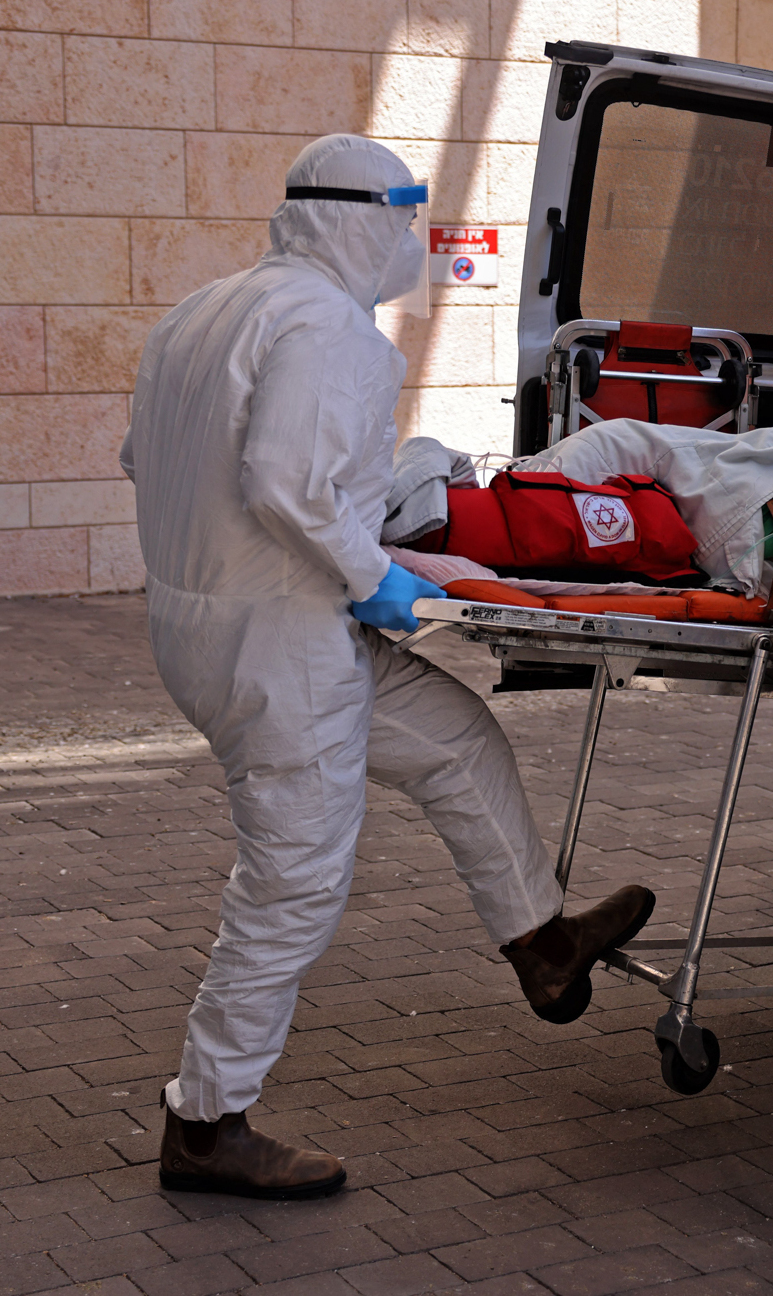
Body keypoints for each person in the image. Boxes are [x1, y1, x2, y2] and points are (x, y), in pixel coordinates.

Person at [121, 135, 656, 1203]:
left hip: (204, 625)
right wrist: (374, 573)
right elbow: (282, 479)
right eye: (406, 221)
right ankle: (208, 1122)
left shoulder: (201, 313)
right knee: (293, 882)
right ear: (360, 220)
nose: (413, 244)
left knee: (456, 740)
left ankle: (543, 942)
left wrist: (387, 558)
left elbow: (161, 464)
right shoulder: (331, 334)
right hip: (282, 647)